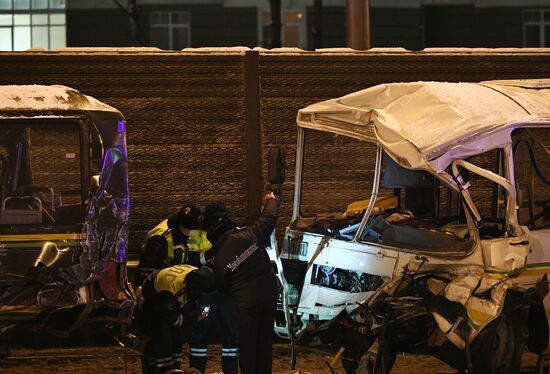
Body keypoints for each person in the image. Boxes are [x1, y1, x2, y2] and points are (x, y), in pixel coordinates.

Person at [208, 193, 280, 374]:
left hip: (246, 304)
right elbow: (269, 217)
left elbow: (223, 288)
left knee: (248, 347)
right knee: (265, 344)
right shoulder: (250, 234)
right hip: (269, 295)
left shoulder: (218, 262)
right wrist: (271, 200)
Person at [187, 202, 238, 374]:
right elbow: (192, 261)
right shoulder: (196, 232)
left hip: (226, 292)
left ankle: (230, 371)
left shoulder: (233, 230)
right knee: (200, 331)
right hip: (205, 292)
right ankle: (196, 370)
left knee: (230, 334)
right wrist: (212, 257)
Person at [138, 264, 214, 374]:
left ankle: (173, 366)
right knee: (162, 332)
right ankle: (163, 368)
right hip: (152, 291)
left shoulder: (194, 274)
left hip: (167, 287)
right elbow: (173, 319)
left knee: (176, 335)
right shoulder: (172, 290)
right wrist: (191, 319)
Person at [135, 204, 202, 286]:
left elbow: (194, 260)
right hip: (154, 285)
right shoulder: (160, 238)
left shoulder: (187, 232)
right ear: (182, 225)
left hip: (177, 280)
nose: (193, 232)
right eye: (191, 229)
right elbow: (147, 271)